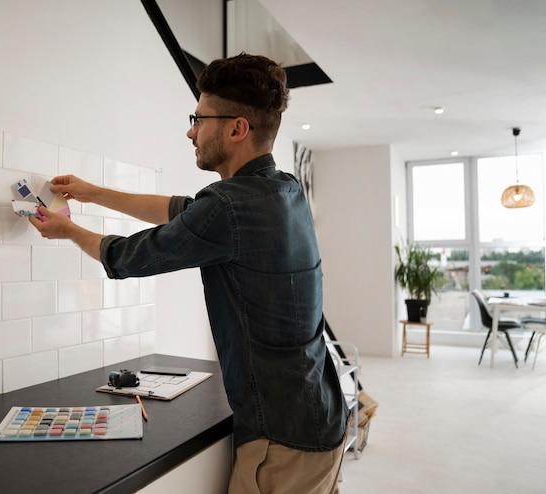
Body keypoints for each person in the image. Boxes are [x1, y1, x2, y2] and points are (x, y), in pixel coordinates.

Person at [29, 53, 348, 494]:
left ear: (236, 129)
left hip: (283, 441)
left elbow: (128, 256)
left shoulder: (229, 207)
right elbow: (184, 211)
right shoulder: (284, 189)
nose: (190, 131)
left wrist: (67, 230)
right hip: (321, 416)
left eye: (199, 119)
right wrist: (94, 193)